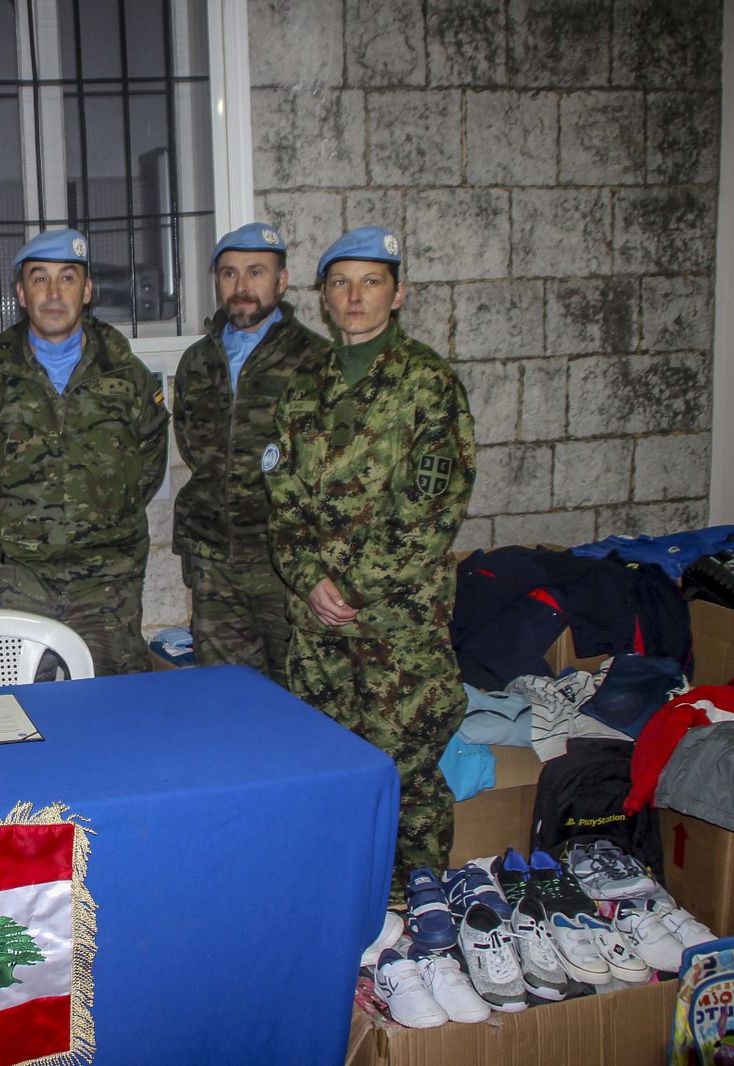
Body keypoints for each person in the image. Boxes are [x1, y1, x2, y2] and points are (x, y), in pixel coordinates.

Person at [264, 226, 476, 901]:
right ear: (324, 299)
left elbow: (430, 511)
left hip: (397, 627)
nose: (355, 297)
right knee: (326, 768)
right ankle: (342, 901)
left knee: (404, 770)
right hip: (318, 627)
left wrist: (350, 586)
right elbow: (283, 504)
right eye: (341, 283)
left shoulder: (427, 384)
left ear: (398, 293)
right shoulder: (304, 389)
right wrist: (311, 581)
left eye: (371, 282)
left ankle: (422, 907)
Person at [0, 228, 169, 675]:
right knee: (17, 708)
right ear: (21, 293)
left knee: (112, 705)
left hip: (105, 584)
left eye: (67, 278)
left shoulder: (130, 379)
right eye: (39, 279)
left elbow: (147, 469)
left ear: (87, 290)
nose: (53, 293)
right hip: (14, 582)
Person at [173, 222, 330, 679]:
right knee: (223, 695)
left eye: (256, 272)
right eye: (229, 274)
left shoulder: (317, 360)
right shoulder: (197, 361)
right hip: (214, 561)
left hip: (286, 563)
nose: (241, 286)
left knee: (298, 690)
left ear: (281, 281)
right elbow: (192, 445)